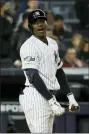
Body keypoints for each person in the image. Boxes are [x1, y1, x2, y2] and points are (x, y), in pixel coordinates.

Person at [19, 9, 79, 133]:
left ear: (47, 24)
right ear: (30, 26)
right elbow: (32, 76)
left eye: (42, 21)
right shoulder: (29, 46)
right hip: (35, 95)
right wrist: (51, 101)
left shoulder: (52, 43)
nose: (40, 24)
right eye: (36, 22)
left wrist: (70, 96)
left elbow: (59, 71)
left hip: (49, 95)